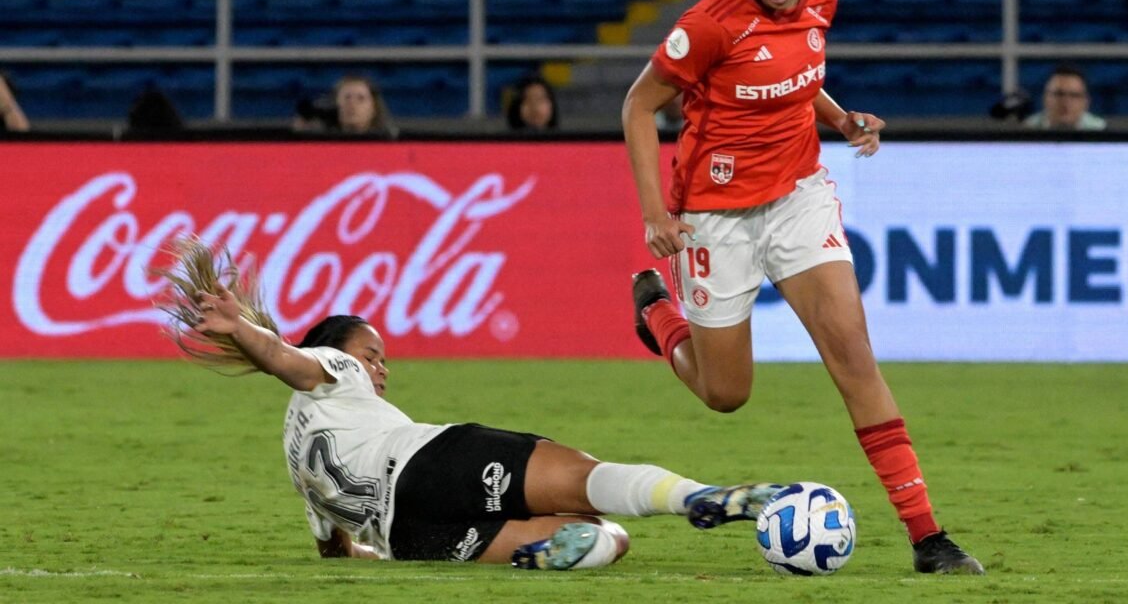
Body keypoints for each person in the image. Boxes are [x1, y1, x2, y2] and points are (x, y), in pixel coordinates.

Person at [620, 0, 984, 575]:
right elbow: (637, 105)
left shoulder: (822, 2)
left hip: (797, 197)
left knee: (854, 358)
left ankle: (928, 537)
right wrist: (654, 212)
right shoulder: (711, 25)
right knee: (727, 395)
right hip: (714, 217)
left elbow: (798, 81)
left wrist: (841, 118)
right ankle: (658, 317)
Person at [154, 237, 785, 571]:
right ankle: (696, 497)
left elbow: (335, 548)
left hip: (414, 538)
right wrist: (243, 330)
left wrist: (373, 553)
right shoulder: (333, 369)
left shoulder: (296, 457)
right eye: (372, 353)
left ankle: (578, 549)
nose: (380, 367)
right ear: (336, 352)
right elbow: (286, 358)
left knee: (605, 539)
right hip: (429, 461)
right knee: (586, 478)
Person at [295, 74, 395, 137]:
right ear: (335, 104)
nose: (352, 104)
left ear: (374, 108)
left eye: (361, 98)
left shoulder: (390, 142)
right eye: (347, 97)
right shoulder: (322, 143)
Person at [1023, 65, 1107, 131]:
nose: (1066, 102)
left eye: (1074, 95)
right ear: (1045, 98)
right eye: (1059, 94)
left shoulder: (1099, 130)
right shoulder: (1027, 128)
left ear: (1086, 102)